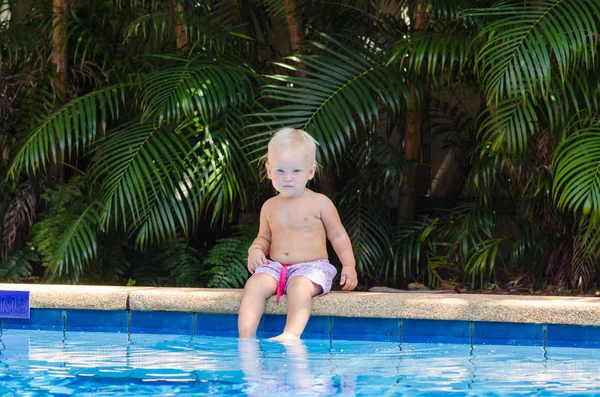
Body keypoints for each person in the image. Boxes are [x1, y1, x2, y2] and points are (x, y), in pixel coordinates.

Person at [238, 127, 358, 340]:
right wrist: (256, 249)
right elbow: (264, 237)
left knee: (299, 286)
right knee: (254, 284)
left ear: (310, 172)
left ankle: (291, 334)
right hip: (276, 268)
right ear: (268, 170)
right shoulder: (269, 206)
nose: (288, 178)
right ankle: (246, 337)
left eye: (296, 171)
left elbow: (338, 236)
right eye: (280, 171)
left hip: (312, 269)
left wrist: (349, 266)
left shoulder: (320, 203)